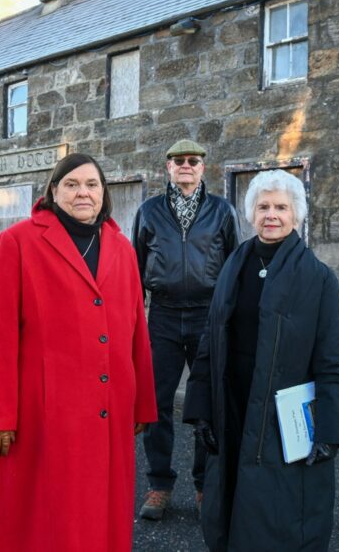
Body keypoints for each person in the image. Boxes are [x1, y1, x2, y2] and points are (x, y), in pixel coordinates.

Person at [0, 153, 157, 551]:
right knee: (42, 520)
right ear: (53, 191)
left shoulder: (122, 248)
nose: (83, 193)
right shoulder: (17, 242)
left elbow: (135, 329)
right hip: (44, 411)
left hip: (110, 406)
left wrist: (142, 402)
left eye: (92, 184)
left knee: (101, 516)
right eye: (71, 184)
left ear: (103, 193)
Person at [183, 169, 339, 551]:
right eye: (263, 206)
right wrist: (201, 410)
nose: (271, 215)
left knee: (278, 516)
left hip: (283, 417)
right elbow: (211, 340)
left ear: (297, 215)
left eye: (281, 207)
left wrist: (330, 430)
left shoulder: (318, 277)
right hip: (234, 403)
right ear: (250, 212)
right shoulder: (233, 266)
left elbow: (329, 361)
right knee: (229, 502)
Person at [132, 139, 240, 519]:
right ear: (168, 168)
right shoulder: (148, 212)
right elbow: (135, 269)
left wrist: (230, 317)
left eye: (193, 161)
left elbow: (234, 267)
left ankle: (202, 483)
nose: (186, 166)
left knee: (207, 400)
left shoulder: (222, 212)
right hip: (162, 315)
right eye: (178, 161)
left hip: (206, 315)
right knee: (156, 403)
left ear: (202, 168)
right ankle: (159, 484)